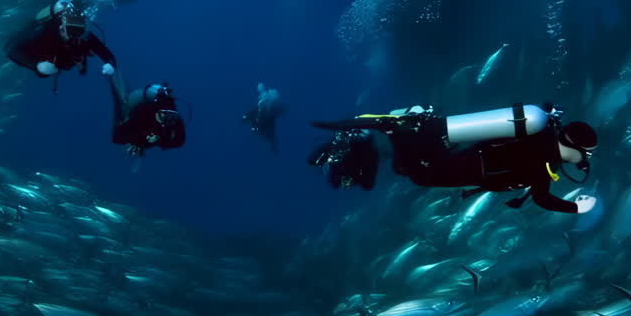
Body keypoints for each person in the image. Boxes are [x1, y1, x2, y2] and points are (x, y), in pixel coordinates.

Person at [309, 103, 599, 213]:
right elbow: (542, 198)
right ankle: (396, 129)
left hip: (474, 159)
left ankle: (408, 127)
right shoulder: (544, 157)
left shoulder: (544, 137)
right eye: (586, 154)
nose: (584, 160)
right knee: (417, 173)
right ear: (575, 147)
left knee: (415, 164)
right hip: (472, 167)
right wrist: (576, 208)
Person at [3, 0, 116, 85]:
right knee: (44, 72)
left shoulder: (84, 36)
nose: (74, 35)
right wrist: (36, 66)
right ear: (62, 27)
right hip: (44, 56)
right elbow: (10, 48)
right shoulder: (45, 32)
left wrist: (111, 65)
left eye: (78, 31)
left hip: (63, 60)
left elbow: (106, 54)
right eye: (71, 30)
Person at [108, 73, 186, 157]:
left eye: (172, 116)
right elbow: (118, 137)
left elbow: (179, 141)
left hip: (148, 134)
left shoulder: (174, 119)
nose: (167, 120)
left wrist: (152, 142)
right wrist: (139, 143)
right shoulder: (143, 111)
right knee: (119, 132)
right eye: (164, 115)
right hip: (133, 109)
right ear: (157, 112)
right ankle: (112, 80)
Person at [242, 83, 284, 152]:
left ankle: (273, 148)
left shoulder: (269, 112)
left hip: (264, 125)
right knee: (270, 136)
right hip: (262, 125)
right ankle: (273, 148)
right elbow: (248, 116)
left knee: (271, 136)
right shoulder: (259, 110)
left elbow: (280, 110)